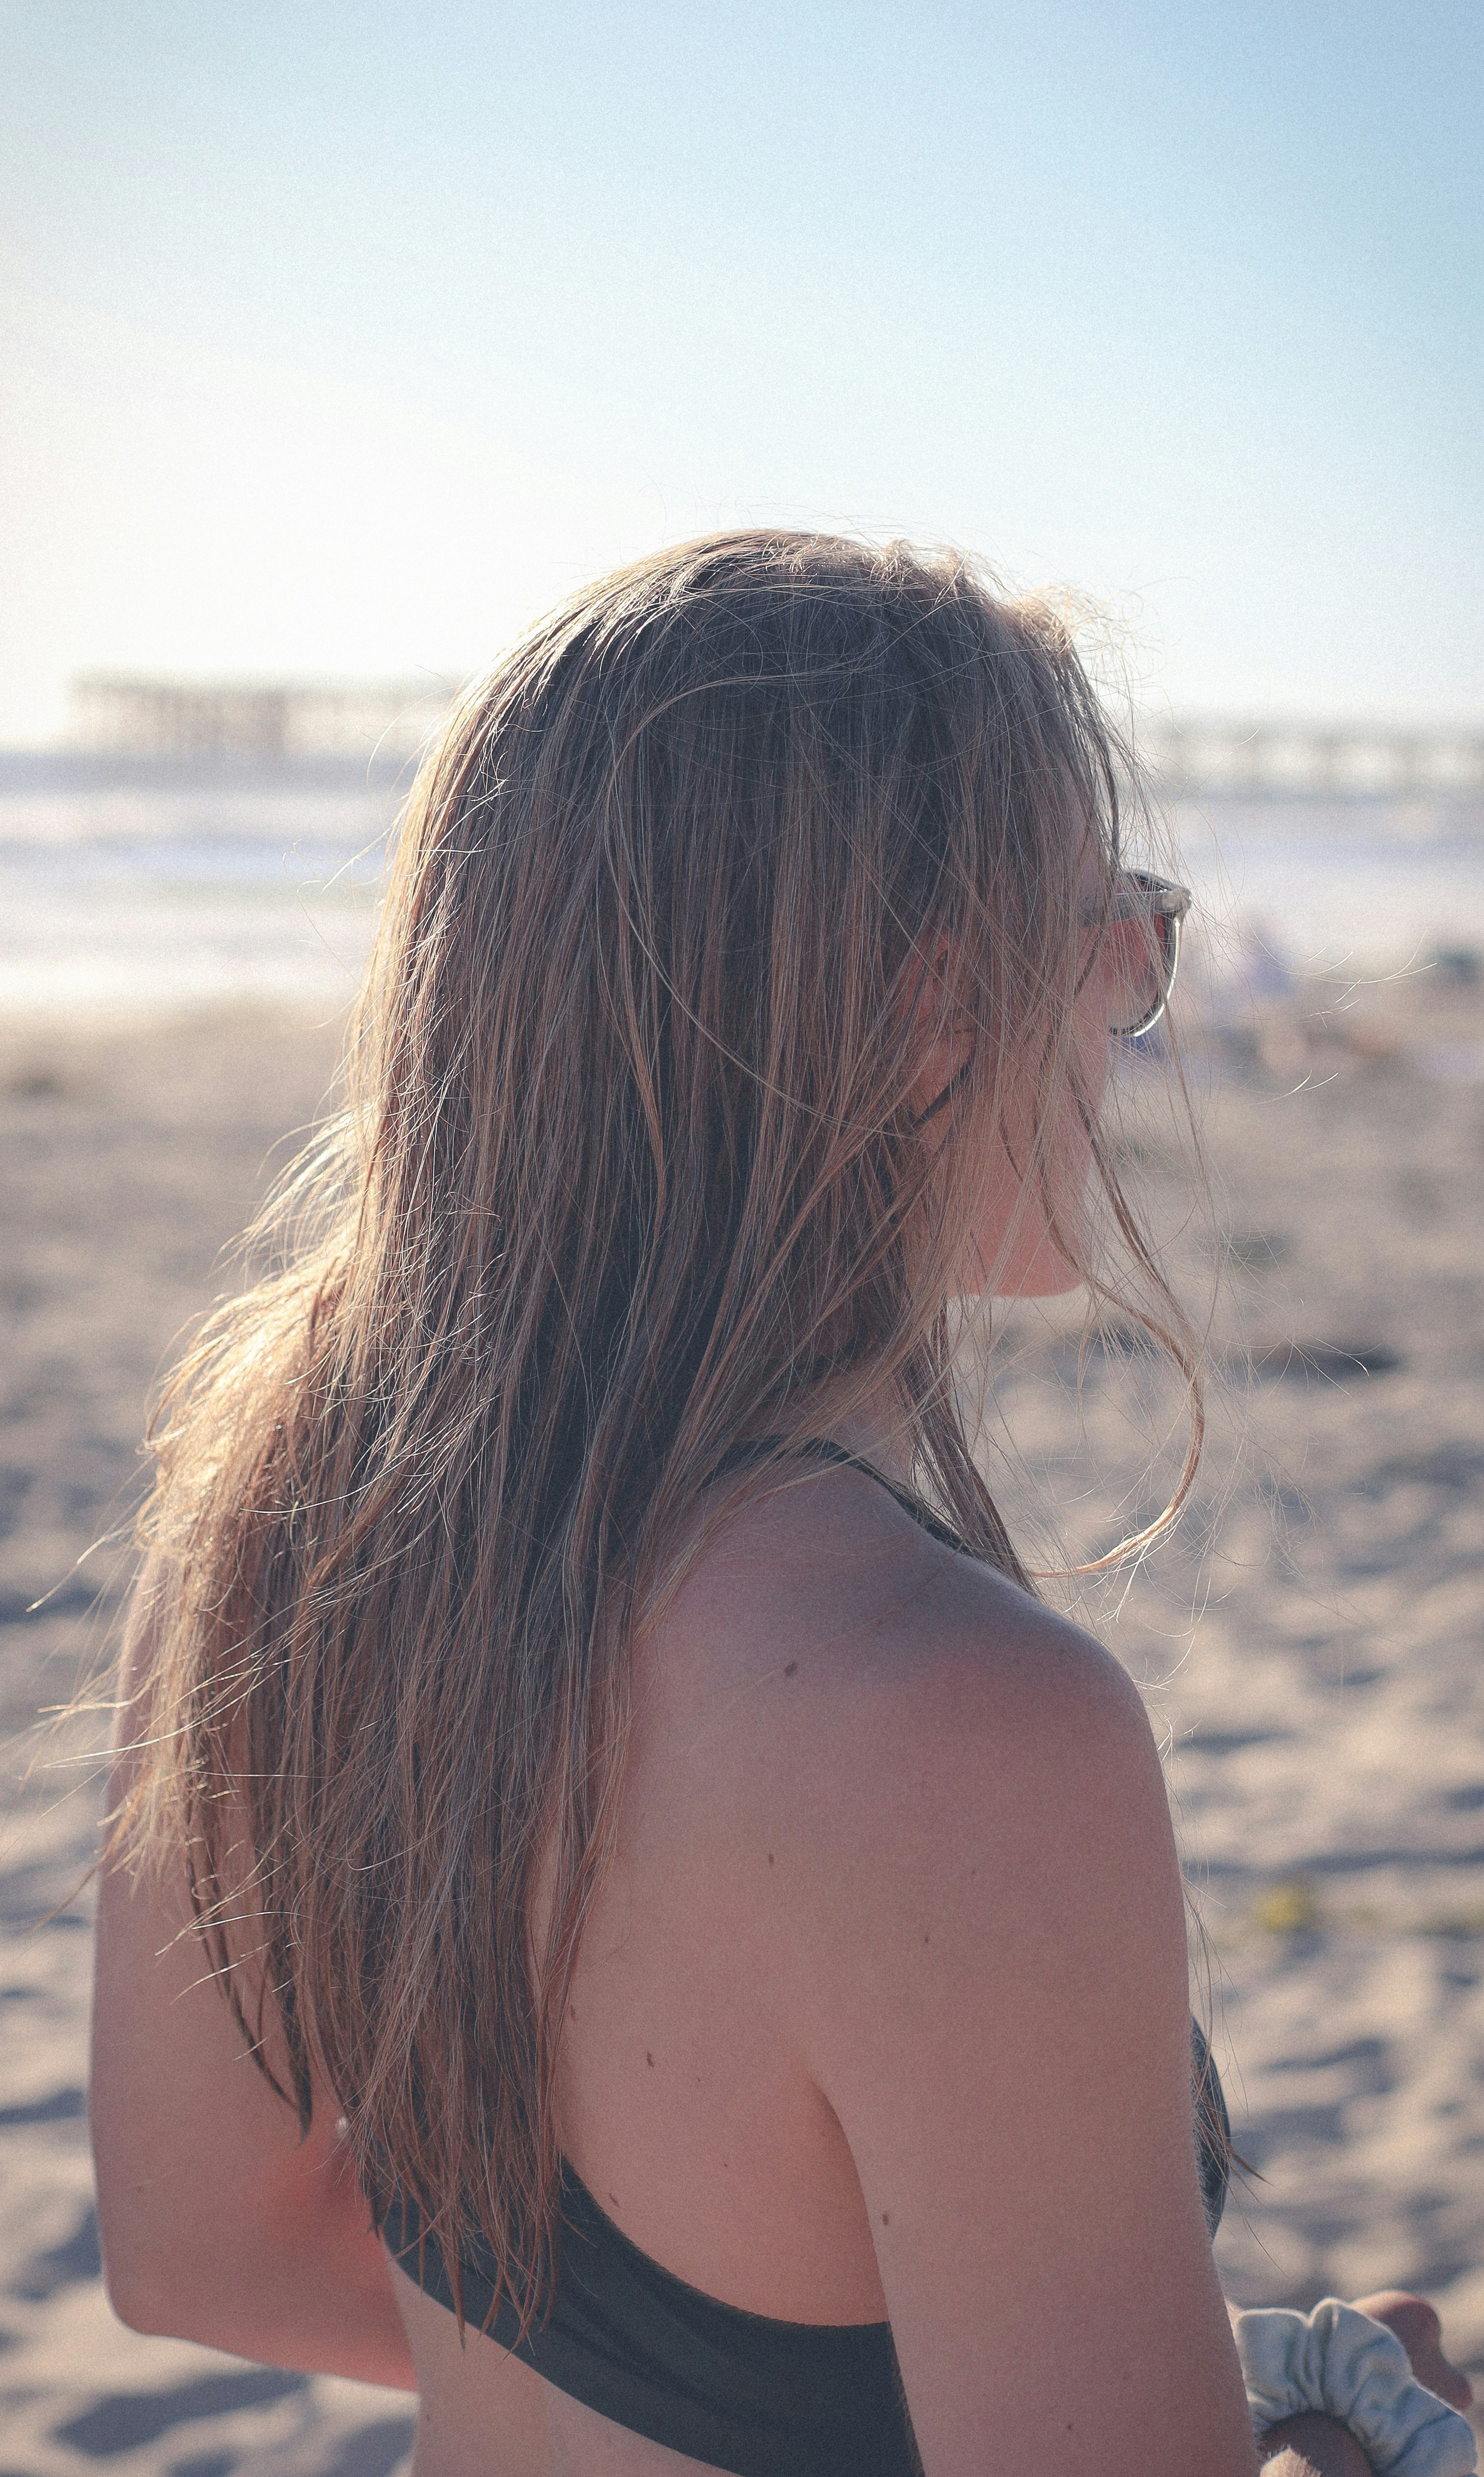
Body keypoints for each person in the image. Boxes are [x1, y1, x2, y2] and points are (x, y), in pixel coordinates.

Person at [90, 532, 1471, 2476]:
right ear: (925, 1018)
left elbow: (201, 2255)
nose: (1130, 1001)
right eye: (1109, 924)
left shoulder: (268, 1501)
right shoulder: (967, 1727)